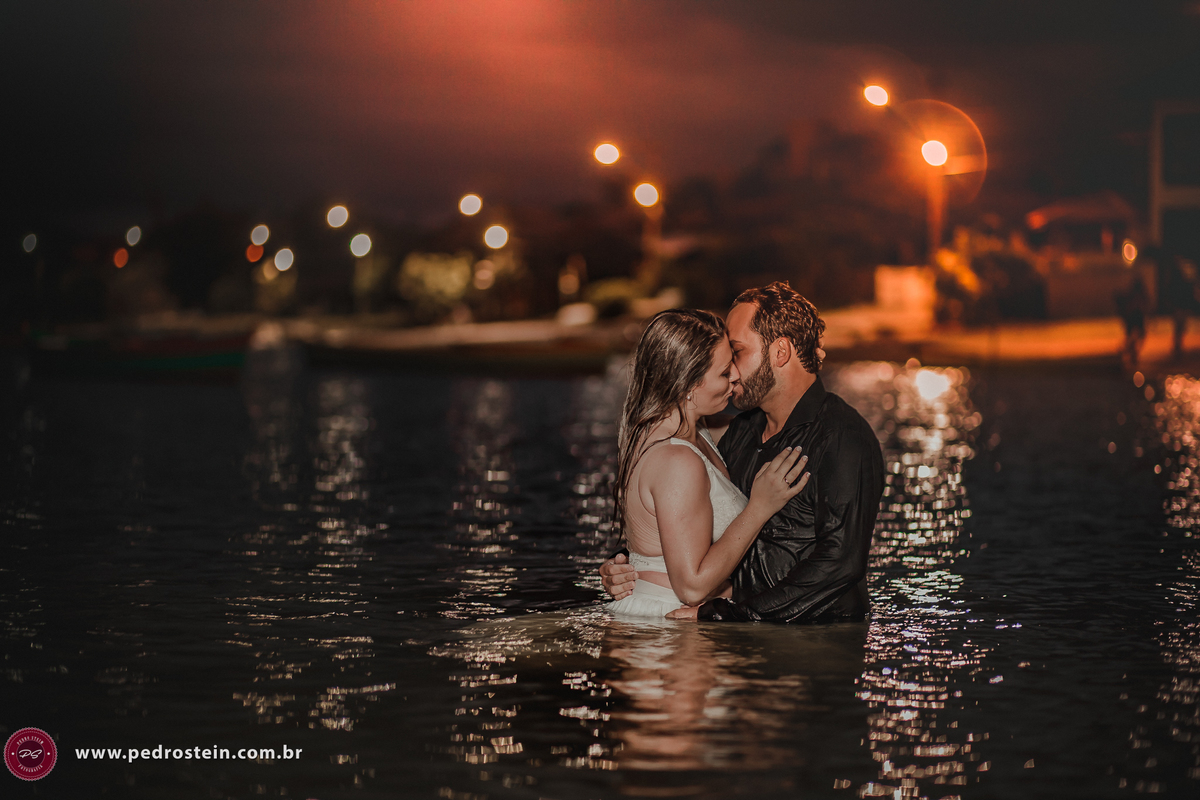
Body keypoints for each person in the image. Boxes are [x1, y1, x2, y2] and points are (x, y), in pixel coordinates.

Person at [601, 282, 885, 623]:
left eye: (737, 352)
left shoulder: (842, 437)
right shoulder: (741, 432)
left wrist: (743, 615)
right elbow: (685, 514)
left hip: (815, 640)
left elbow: (842, 562)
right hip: (738, 638)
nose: (732, 372)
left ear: (780, 353)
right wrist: (630, 562)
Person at [607, 308, 811, 618]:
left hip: (667, 615)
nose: (735, 377)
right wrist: (759, 507)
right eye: (724, 371)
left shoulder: (689, 430)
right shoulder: (677, 460)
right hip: (668, 625)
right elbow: (691, 588)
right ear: (688, 385)